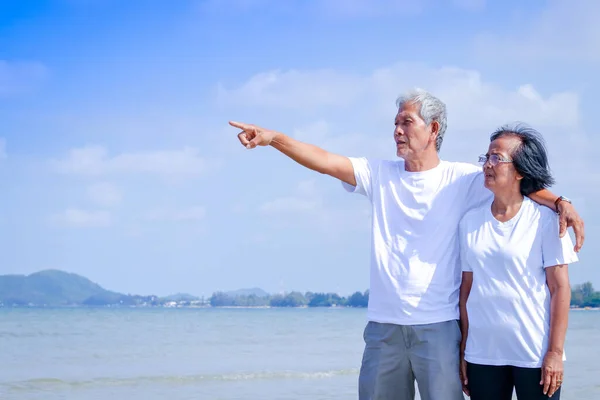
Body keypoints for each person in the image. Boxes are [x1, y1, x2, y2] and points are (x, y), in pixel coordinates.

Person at [229, 89, 585, 400]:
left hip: (440, 328)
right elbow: (324, 161)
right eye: (395, 124)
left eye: (406, 122)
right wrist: (274, 138)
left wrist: (559, 202)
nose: (396, 131)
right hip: (383, 329)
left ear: (433, 129)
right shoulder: (379, 173)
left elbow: (515, 181)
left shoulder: (463, 179)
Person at [458, 125, 578, 400]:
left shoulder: (547, 221)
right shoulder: (469, 221)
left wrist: (555, 354)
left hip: (534, 355)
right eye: (486, 157)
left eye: (497, 158)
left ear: (521, 171)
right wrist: (463, 350)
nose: (487, 164)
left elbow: (560, 289)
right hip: (482, 355)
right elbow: (467, 291)